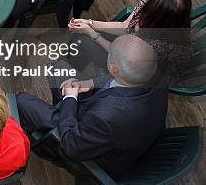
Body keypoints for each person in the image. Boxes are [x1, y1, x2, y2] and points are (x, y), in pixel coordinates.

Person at [17, 35, 167, 181]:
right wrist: (92, 82)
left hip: (87, 147)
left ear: (113, 69)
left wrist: (70, 98)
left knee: (21, 101)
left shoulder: (106, 117)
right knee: (59, 68)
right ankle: (60, 110)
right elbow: (122, 79)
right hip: (104, 119)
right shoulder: (151, 71)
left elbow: (71, 147)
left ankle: (46, 138)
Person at [68, 0, 192, 82]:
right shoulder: (158, 20)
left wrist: (91, 33)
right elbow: (125, 26)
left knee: (82, 42)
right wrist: (90, 23)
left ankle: (70, 73)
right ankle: (72, 68)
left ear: (154, 15)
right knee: (82, 37)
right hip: (134, 51)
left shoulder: (156, 45)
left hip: (145, 74)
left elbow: (122, 57)